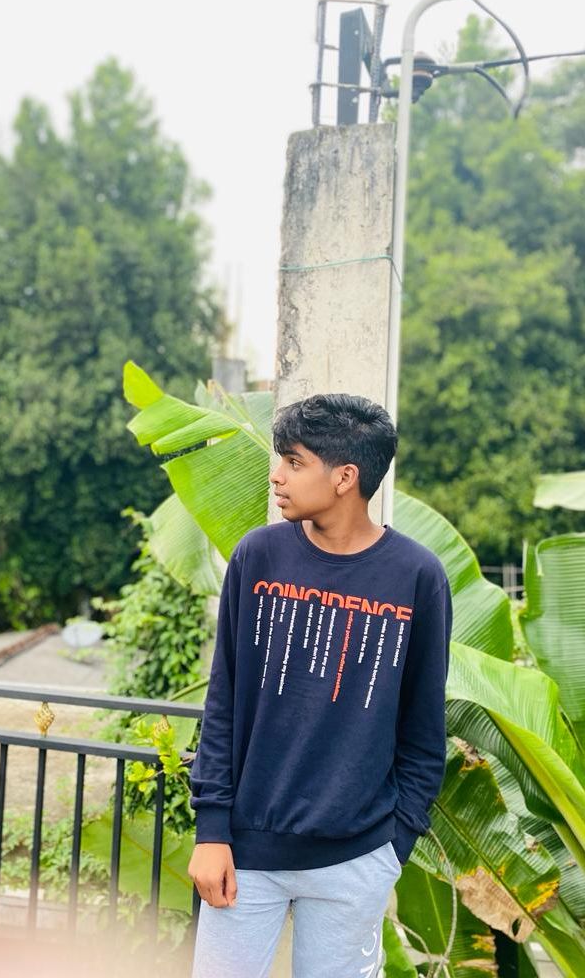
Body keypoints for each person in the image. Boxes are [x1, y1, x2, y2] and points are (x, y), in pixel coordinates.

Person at [187, 393, 452, 978]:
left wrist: (391, 848)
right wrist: (211, 831)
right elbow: (223, 703)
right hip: (243, 855)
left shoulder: (417, 577)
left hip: (355, 861)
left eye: (294, 462)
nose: (276, 476)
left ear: (345, 477)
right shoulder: (258, 557)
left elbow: (423, 728)